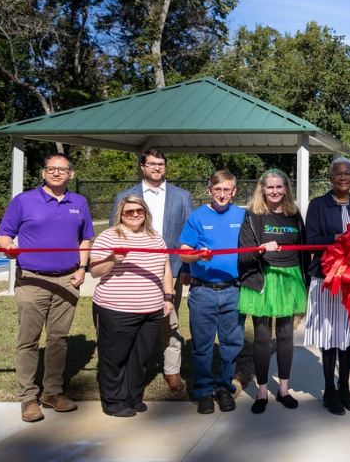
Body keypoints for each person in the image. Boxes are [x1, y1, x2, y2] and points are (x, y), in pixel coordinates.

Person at [0, 153, 95, 423]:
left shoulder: (80, 202)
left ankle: (52, 392)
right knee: (28, 340)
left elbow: (85, 238)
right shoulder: (23, 200)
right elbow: (4, 233)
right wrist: (9, 248)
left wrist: (81, 268)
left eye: (61, 169)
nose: (56, 173)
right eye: (51, 169)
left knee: (58, 339)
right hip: (32, 279)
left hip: (67, 280)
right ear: (43, 173)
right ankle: (28, 397)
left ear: (71, 174)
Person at [110, 148, 193, 393]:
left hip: (173, 269)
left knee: (171, 322)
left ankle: (172, 371)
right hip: (134, 271)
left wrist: (187, 266)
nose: (157, 167)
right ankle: (134, 371)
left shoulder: (182, 196)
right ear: (143, 167)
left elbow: (188, 236)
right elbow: (115, 231)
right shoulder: (126, 196)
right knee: (135, 322)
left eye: (161, 164)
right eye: (152, 164)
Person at [91, 196, 174, 417]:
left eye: (139, 210)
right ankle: (114, 401)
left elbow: (165, 268)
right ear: (121, 214)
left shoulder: (155, 237)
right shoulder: (109, 236)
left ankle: (133, 396)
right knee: (115, 357)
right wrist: (112, 258)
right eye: (129, 212)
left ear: (145, 212)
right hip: (116, 309)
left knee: (140, 357)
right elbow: (95, 271)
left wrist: (168, 297)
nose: (135, 214)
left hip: (152, 309)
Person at [304, 158, 350, 415]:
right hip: (327, 279)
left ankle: (344, 387)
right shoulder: (318, 205)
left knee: (348, 334)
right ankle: (329, 389)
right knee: (330, 335)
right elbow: (311, 241)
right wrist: (335, 240)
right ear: (330, 177)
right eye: (338, 174)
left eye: (347, 173)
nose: (343, 177)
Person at [238, 169, 308, 414]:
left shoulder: (294, 215)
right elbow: (244, 253)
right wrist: (260, 248)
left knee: (287, 335)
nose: (275, 191)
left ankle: (284, 390)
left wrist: (306, 280)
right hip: (264, 279)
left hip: (290, 278)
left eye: (280, 187)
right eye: (270, 187)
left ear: (286, 189)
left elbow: (304, 250)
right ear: (262, 189)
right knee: (262, 336)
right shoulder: (253, 215)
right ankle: (261, 391)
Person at [179, 170, 246, 415]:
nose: (222, 194)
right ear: (209, 191)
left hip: (233, 290)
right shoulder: (197, 217)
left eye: (227, 189)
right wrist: (198, 255)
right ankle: (204, 390)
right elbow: (183, 253)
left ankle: (224, 388)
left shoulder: (242, 215)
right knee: (202, 346)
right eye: (217, 189)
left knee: (231, 343)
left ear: (234, 191)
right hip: (203, 291)